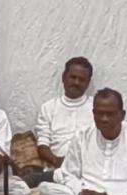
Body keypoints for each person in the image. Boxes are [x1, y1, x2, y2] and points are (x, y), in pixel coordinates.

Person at [38, 88, 127, 195]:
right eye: (99, 114)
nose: (104, 119)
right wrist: (82, 192)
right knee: (45, 189)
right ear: (93, 113)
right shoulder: (82, 136)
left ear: (122, 115)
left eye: (110, 114)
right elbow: (69, 174)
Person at [24, 57, 94, 188]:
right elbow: (42, 145)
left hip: (88, 171)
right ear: (63, 77)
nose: (76, 82)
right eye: (73, 77)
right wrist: (58, 161)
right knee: (24, 184)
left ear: (88, 82)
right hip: (57, 169)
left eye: (82, 79)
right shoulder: (49, 107)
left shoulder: (96, 107)